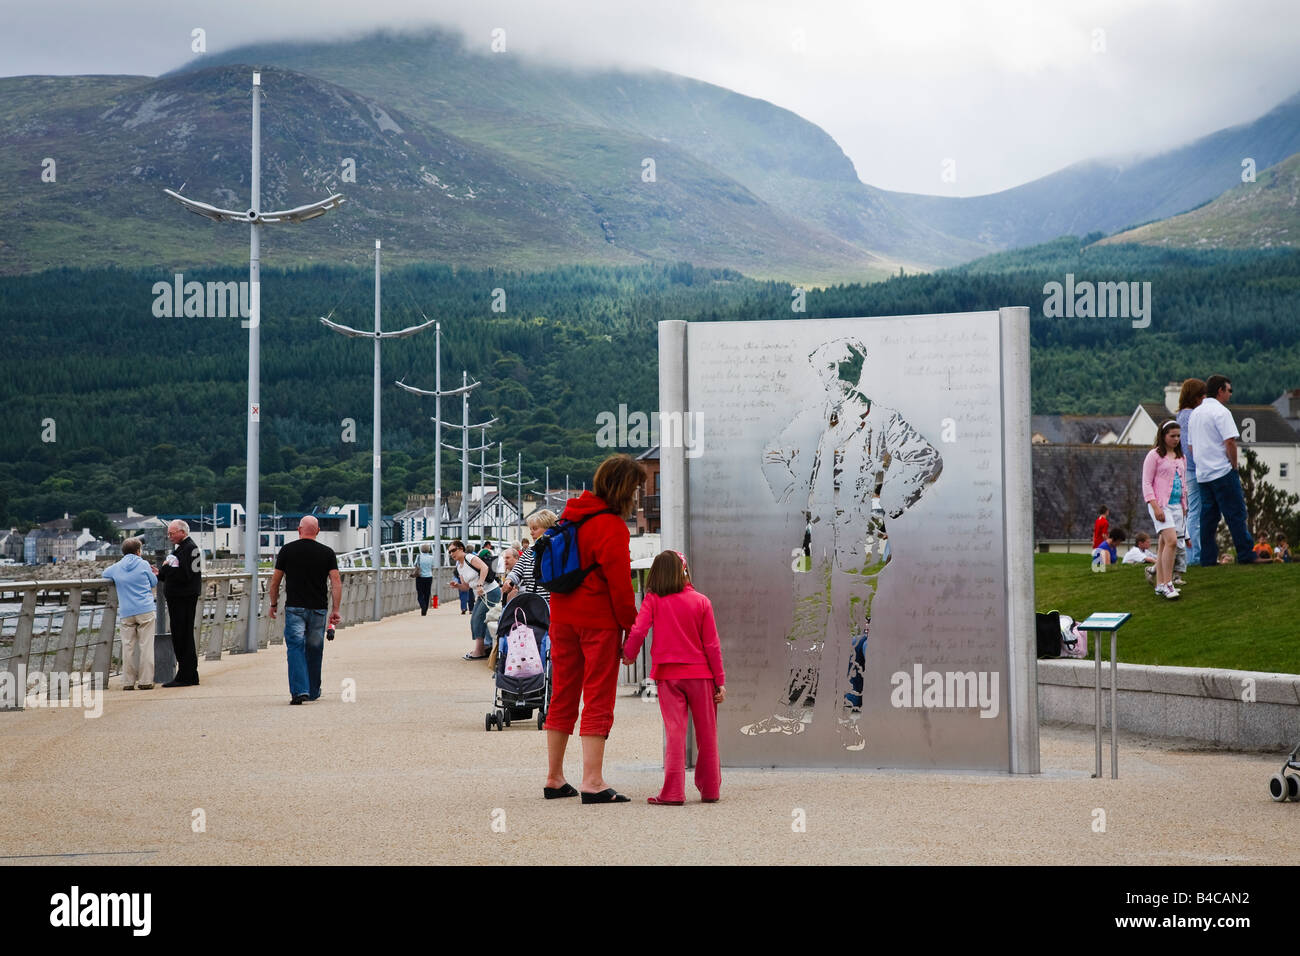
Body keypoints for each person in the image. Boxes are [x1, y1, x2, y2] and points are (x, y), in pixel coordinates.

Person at [741, 336, 943, 752]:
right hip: (815, 540)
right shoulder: (811, 417)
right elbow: (772, 455)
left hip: (860, 542)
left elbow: (927, 458)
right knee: (805, 626)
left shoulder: (883, 419)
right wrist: (795, 497)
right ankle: (794, 714)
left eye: (843, 368)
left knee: (855, 632)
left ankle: (850, 719)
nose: (836, 377)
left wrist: (888, 503)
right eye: (828, 369)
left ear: (857, 370)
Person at [543, 455, 642, 804]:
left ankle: (554, 778)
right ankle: (593, 781)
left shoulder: (570, 516)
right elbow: (620, 586)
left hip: (561, 616)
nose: (637, 495)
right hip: (598, 622)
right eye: (636, 488)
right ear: (624, 489)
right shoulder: (611, 526)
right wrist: (631, 625)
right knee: (598, 695)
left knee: (563, 693)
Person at [621, 550, 725, 806]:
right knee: (707, 733)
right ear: (684, 572)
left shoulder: (653, 600)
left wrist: (629, 655)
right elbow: (712, 645)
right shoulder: (702, 601)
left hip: (668, 676)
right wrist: (719, 680)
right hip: (702, 675)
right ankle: (710, 789)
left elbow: (639, 630)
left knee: (675, 732)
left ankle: (673, 792)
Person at [267, 516, 342, 705]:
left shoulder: (287, 550)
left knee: (295, 648)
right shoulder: (327, 553)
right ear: (317, 531)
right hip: (318, 608)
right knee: (315, 649)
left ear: (299, 530)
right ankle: (314, 690)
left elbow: (275, 582)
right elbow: (336, 583)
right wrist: (336, 610)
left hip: (295, 608)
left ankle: (300, 690)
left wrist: (273, 604)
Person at [1188, 374, 1257, 565]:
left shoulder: (1195, 414)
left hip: (1203, 475)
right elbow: (1230, 441)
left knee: (1208, 520)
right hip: (1222, 471)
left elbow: (1191, 446)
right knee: (1235, 514)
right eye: (1229, 390)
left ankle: (1207, 559)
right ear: (1220, 390)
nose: (1230, 394)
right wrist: (1233, 466)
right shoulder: (1222, 412)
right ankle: (1245, 554)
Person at [104, 537, 158, 691]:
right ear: (138, 551)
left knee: (128, 647)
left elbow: (105, 573)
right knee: (146, 645)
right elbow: (153, 582)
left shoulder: (117, 566)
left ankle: (128, 681)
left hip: (126, 611)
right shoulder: (143, 564)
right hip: (145, 609)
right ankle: (145, 681)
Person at [1143, 419, 1188, 599]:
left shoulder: (1180, 457)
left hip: (1177, 505)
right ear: (1163, 436)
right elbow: (1146, 483)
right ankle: (1169, 583)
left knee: (1163, 544)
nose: (1176, 439)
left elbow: (1182, 484)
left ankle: (1160, 584)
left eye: (1178, 436)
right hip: (1161, 504)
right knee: (1171, 541)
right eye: (1172, 436)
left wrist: (1184, 506)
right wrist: (1155, 506)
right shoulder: (1154, 456)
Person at [157, 519, 202, 687]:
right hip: (181, 597)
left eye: (172, 533)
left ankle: (186, 675)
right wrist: (160, 573)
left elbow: (185, 575)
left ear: (182, 532)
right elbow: (174, 572)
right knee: (182, 635)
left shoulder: (189, 548)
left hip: (184, 598)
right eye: (168, 533)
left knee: (182, 635)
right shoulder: (183, 549)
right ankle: (189, 674)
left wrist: (166, 569)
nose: (169, 537)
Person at [449, 540, 498, 660]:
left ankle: (480, 650)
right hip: (481, 595)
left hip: (491, 591)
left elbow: (484, 568)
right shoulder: (459, 567)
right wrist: (457, 586)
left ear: (461, 548)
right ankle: (483, 648)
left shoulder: (469, 557)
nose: (451, 554)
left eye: (453, 550)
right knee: (475, 620)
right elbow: (466, 587)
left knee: (478, 618)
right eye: (449, 552)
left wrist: (480, 583)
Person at [1176, 379, 1207, 565]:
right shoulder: (1191, 416)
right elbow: (1190, 447)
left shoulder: (1180, 415)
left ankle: (1192, 556)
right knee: (1195, 514)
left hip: (1185, 470)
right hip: (1194, 470)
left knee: (1191, 514)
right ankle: (1194, 556)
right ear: (1196, 397)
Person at [503, 509, 557, 605]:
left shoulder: (557, 550)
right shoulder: (529, 551)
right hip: (531, 605)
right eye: (530, 529)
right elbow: (517, 570)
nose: (531, 533)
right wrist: (509, 580)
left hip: (551, 606)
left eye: (535, 529)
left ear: (548, 528)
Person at [414, 543, 435, 616]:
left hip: (420, 577)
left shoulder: (418, 557)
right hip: (429, 577)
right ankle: (425, 610)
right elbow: (433, 566)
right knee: (427, 593)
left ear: (421, 550)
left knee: (420, 593)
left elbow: (415, 565)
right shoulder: (431, 557)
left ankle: (422, 606)